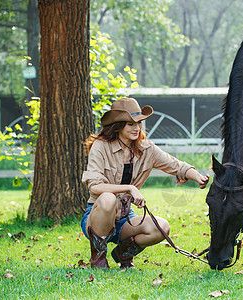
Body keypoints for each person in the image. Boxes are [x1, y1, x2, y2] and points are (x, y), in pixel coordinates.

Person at [81, 97, 209, 269]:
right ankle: (98, 258)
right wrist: (130, 188)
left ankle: (123, 254)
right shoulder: (101, 146)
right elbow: (94, 186)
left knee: (161, 227)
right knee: (107, 199)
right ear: (118, 125)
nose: (137, 128)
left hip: (126, 218)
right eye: (130, 124)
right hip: (97, 217)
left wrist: (198, 177)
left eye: (139, 123)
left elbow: (176, 165)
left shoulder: (147, 149)